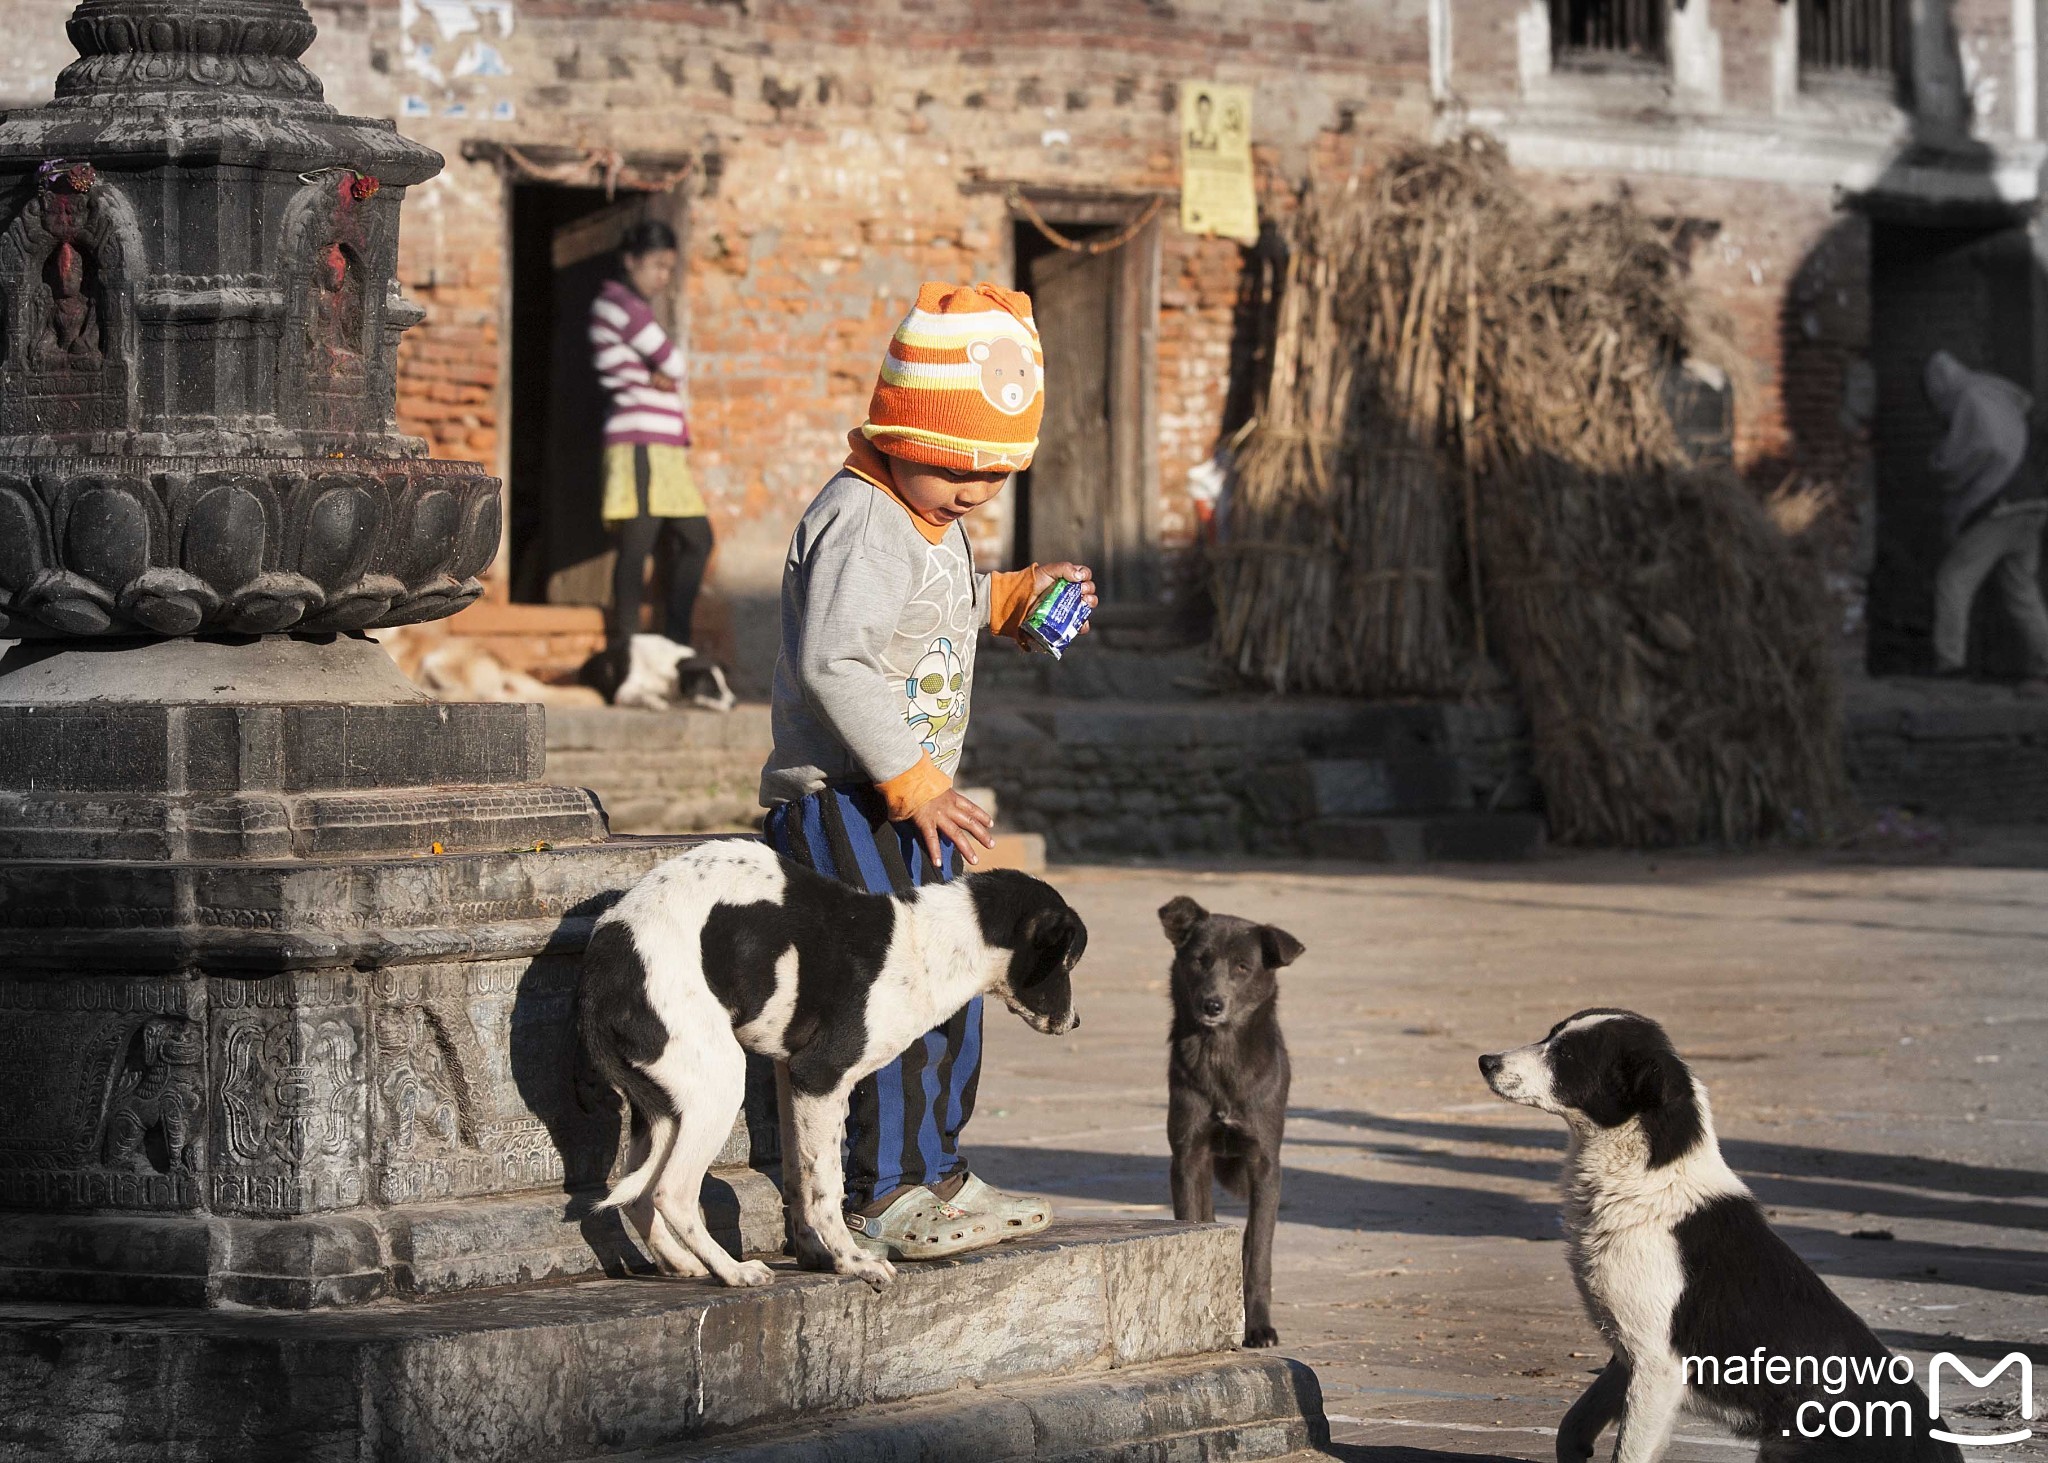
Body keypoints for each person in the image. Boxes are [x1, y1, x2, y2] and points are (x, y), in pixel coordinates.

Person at [758, 281, 1098, 1261]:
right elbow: (836, 662)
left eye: (990, 477)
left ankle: (936, 1165)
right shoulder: (863, 519)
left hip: (909, 805)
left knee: (953, 977)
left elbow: (936, 608)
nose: (969, 492)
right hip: (847, 803)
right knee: (889, 987)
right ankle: (878, 1190)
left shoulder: (927, 523)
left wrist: (1014, 599)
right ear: (894, 426)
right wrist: (911, 781)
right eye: (953, 467)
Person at [590, 220, 714, 709]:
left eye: (670, 267)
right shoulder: (615, 304)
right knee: (637, 543)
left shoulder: (634, 311)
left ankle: (674, 644)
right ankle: (624, 650)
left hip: (662, 448)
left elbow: (668, 370)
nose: (664, 275)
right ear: (631, 260)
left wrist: (655, 373)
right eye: (657, 264)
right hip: (639, 441)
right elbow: (675, 364)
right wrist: (659, 371)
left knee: (696, 537)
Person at [1924, 350, 2048, 688]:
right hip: (2033, 504)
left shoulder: (1971, 400)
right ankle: (2045, 664)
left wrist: (1945, 466)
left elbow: (1985, 446)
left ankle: (1950, 664)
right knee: (2022, 589)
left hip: (2001, 505)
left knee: (1953, 579)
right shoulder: (1995, 393)